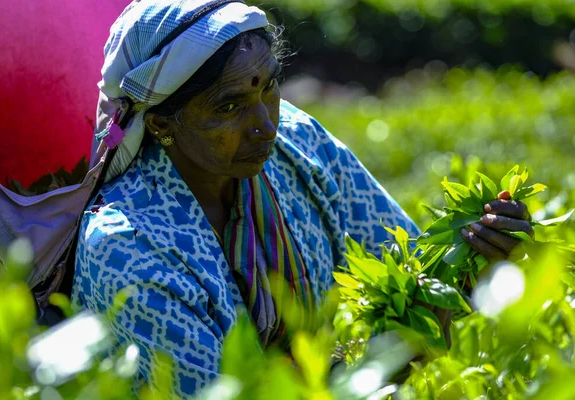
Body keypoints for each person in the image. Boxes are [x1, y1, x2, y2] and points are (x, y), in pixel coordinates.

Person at [71, 0, 533, 397]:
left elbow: (406, 267)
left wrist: (469, 258)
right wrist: (401, 352)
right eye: (227, 107)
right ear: (161, 125)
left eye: (269, 86)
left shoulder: (296, 144)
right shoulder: (128, 251)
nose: (264, 124)